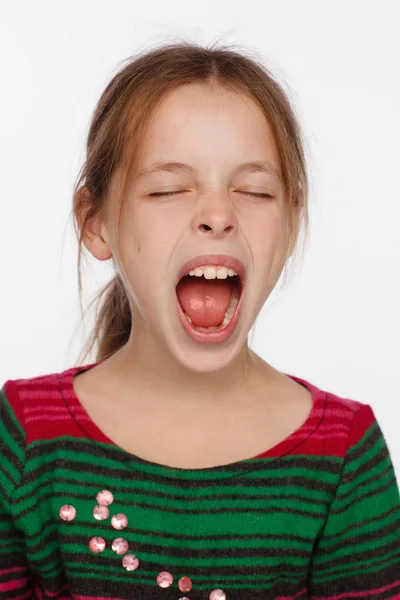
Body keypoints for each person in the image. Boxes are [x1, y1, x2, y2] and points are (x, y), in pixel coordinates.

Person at [1, 40, 399, 600]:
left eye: (255, 190)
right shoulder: (25, 438)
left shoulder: (342, 456)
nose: (217, 215)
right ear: (96, 224)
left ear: (289, 225)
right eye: (168, 188)